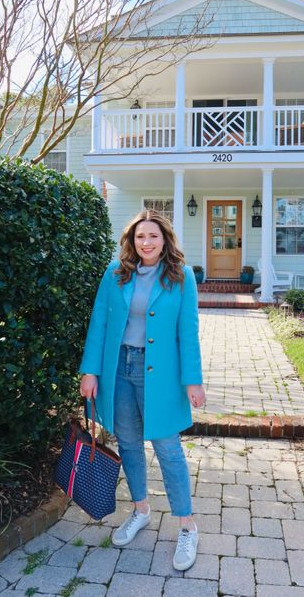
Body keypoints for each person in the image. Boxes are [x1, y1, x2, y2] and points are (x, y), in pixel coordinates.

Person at [79, 209, 206, 571]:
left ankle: (186, 525)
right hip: (119, 368)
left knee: (168, 449)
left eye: (153, 236)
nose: (146, 243)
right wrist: (90, 371)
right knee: (129, 443)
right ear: (131, 241)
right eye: (139, 237)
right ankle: (140, 510)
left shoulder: (182, 277)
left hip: (162, 375)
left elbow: (188, 331)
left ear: (165, 239)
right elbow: (99, 323)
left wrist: (193, 380)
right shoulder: (115, 274)